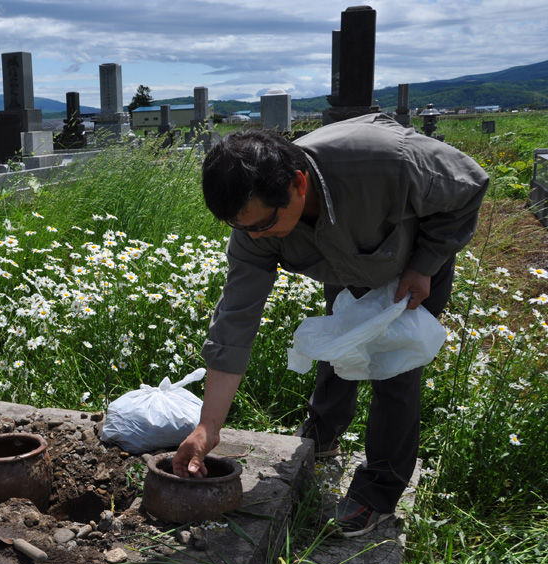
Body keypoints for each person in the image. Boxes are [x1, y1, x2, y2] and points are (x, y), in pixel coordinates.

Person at [172, 113, 489, 537]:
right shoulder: (255, 228)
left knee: (392, 370)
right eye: (243, 229)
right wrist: (208, 427)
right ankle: (323, 434)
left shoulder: (385, 160)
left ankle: (377, 492)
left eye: (264, 225)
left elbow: (469, 185)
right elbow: (235, 319)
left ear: (298, 185)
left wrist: (426, 263)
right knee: (339, 341)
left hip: (409, 262)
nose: (257, 237)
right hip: (347, 258)